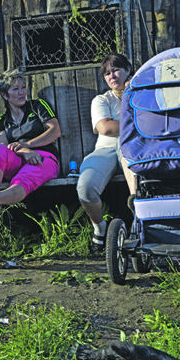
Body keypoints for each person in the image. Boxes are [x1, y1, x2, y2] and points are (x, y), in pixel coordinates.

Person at [0, 69, 61, 211]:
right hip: (18, 158)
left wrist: (28, 145)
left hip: (43, 157)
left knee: (25, 177)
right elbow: (3, 145)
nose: (21, 92)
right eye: (15, 89)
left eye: (23, 87)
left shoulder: (37, 106)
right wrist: (25, 151)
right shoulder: (1, 120)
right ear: (4, 94)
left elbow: (55, 131)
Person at [77, 53, 136, 252]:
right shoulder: (101, 100)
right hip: (106, 149)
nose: (112, 76)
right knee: (85, 187)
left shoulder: (142, 93)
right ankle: (99, 227)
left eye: (116, 70)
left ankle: (139, 218)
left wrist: (131, 94)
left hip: (134, 147)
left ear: (128, 70)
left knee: (129, 152)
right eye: (107, 73)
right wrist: (138, 123)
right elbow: (105, 128)